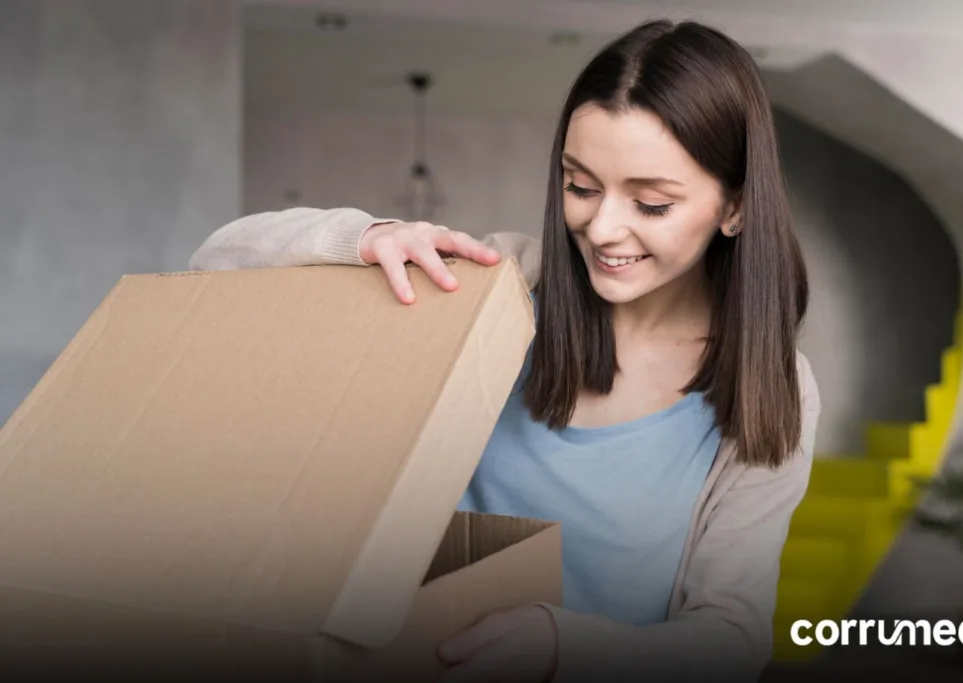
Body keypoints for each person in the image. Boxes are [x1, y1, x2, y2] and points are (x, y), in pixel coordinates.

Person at [190, 18, 820, 683]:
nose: (603, 227)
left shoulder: (770, 384)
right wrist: (366, 237)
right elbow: (214, 264)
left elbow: (731, 639)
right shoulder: (504, 283)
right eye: (580, 186)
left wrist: (561, 645)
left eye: (652, 203)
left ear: (736, 208)